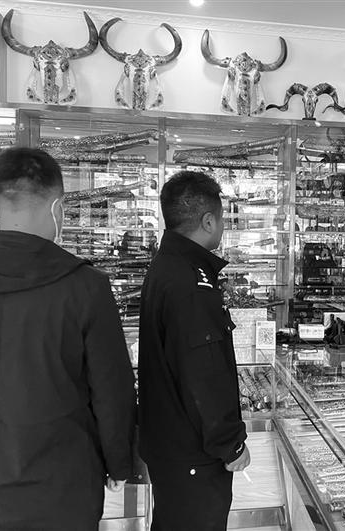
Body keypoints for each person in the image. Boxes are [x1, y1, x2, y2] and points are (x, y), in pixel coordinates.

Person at [0, 147, 136, 531]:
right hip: (64, 493)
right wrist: (118, 462)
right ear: (59, 209)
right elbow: (113, 391)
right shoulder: (86, 286)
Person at [138, 170, 250, 531]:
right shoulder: (191, 283)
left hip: (173, 446)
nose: (223, 227)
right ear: (208, 221)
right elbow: (203, 373)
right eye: (221, 219)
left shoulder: (169, 267)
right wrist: (230, 444)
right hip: (193, 453)